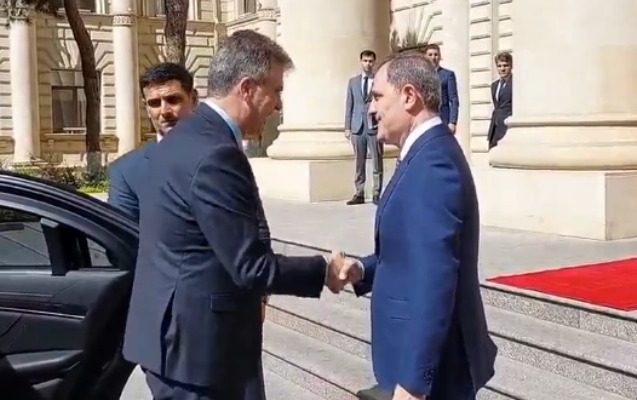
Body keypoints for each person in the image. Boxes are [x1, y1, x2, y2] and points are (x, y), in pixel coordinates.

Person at [122, 30, 349, 400]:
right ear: (247, 88)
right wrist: (323, 270)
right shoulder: (215, 153)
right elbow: (250, 266)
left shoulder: (185, 137)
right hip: (198, 357)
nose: (278, 105)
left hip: (172, 343)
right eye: (275, 91)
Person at [341, 51, 497, 400]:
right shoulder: (422, 153)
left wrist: (413, 384)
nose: (370, 109)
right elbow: (410, 251)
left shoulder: (433, 164)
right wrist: (361, 269)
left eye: (378, 97)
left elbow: (435, 277)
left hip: (434, 377)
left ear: (409, 96)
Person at [107, 62, 197, 221]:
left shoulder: (225, 156)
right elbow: (122, 233)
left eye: (173, 100)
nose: (164, 111)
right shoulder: (126, 172)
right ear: (146, 108)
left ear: (193, 99)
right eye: (154, 103)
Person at [344, 50, 384, 205]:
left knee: (376, 161)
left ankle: (376, 193)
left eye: (370, 61)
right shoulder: (353, 82)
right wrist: (347, 127)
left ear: (374, 63)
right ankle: (359, 193)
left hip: (374, 125)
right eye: (365, 61)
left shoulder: (379, 81)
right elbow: (349, 105)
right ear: (361, 62)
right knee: (359, 162)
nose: (368, 64)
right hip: (357, 126)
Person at [422, 44, 459, 134]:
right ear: (425, 57)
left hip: (442, 119)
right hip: (425, 120)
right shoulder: (421, 76)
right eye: (430, 55)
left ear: (439, 57)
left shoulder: (448, 75)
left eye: (436, 54)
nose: (433, 57)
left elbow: (453, 100)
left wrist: (452, 122)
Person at [487, 51, 513, 149]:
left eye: (505, 65)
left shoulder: (515, 84)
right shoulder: (494, 85)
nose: (502, 69)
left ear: (511, 66)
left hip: (508, 129)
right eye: (499, 66)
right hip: (495, 129)